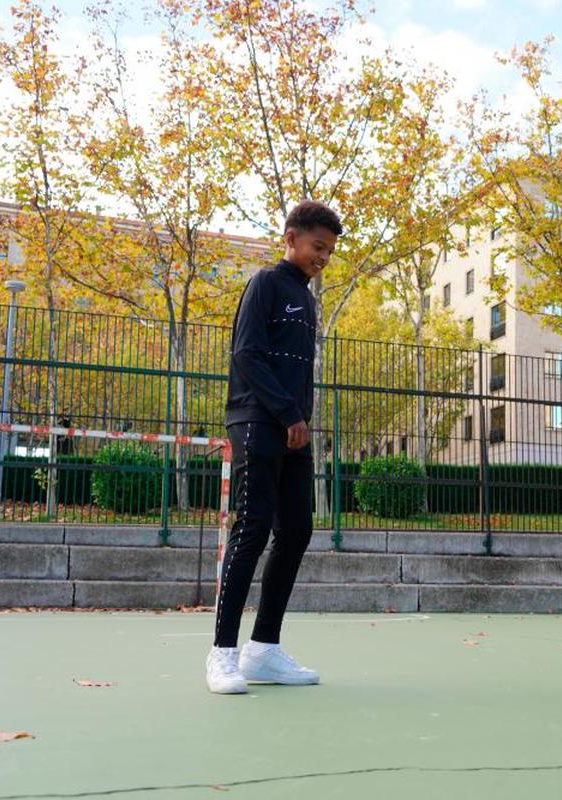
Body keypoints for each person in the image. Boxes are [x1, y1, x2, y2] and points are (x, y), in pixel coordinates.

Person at [206, 200, 341, 695]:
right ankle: (222, 654)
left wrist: (297, 421)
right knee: (252, 529)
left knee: (298, 530)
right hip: (258, 424)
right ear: (291, 237)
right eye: (317, 247)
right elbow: (246, 354)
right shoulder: (265, 283)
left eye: (329, 250)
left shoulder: (306, 299)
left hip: (293, 431)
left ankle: (262, 650)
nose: (323, 257)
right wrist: (288, 414)